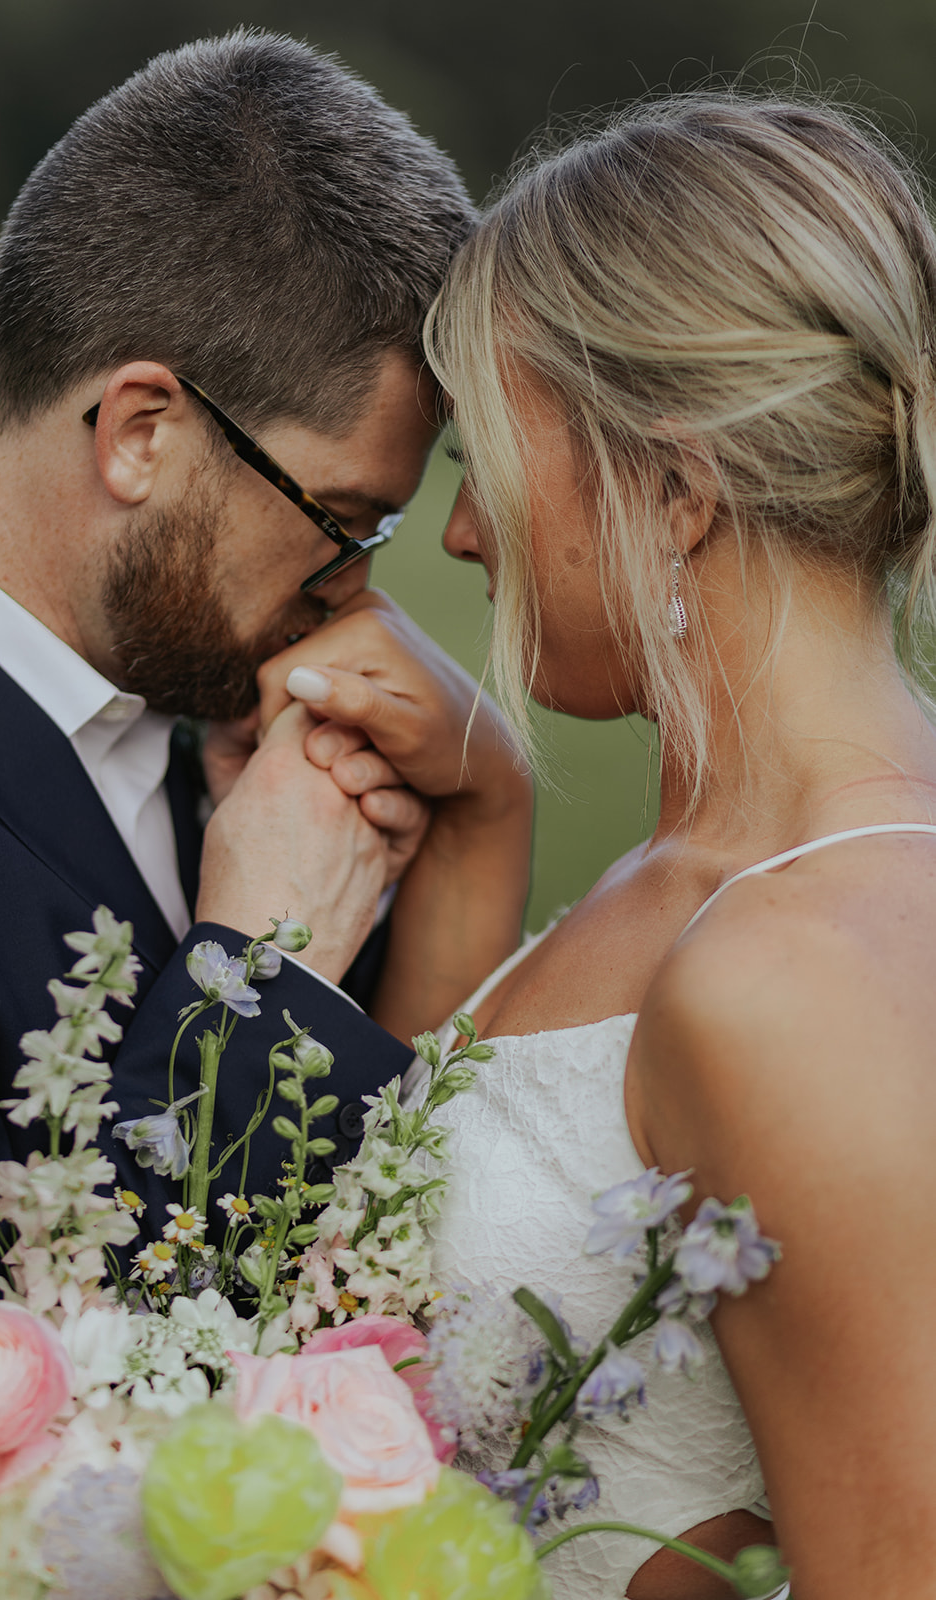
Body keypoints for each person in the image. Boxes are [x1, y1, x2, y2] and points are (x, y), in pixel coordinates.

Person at [353, 92, 936, 1600]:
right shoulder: (700, 871)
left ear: (674, 493)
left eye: (484, 454)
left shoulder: (805, 973)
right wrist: (484, 823)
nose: (465, 532)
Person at [0, 31, 533, 1320]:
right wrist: (257, 969)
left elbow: (384, 1201)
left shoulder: (217, 698)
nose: (356, 590)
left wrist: (478, 807)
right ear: (142, 432)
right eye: (341, 516)